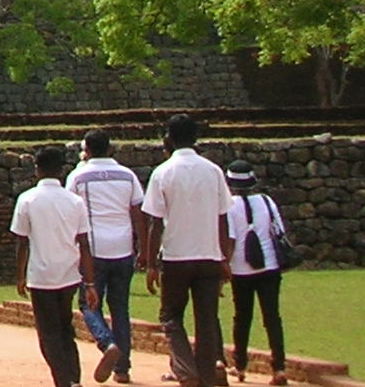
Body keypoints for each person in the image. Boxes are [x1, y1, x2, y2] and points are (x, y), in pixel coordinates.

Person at [143, 113, 234, 387]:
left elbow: (155, 223)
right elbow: (223, 218)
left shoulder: (163, 172)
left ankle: (186, 371)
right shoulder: (213, 170)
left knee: (170, 316)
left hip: (176, 258)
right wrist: (224, 258)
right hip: (208, 256)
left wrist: (149, 263)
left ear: (168, 139)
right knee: (206, 320)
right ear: (195, 139)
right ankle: (206, 377)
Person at [14, 142, 97, 387]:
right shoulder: (74, 202)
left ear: (37, 170)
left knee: (48, 334)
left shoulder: (27, 199)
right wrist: (90, 282)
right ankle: (73, 377)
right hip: (69, 274)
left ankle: (64, 381)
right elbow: (84, 245)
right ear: (61, 171)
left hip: (40, 276)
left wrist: (19, 274)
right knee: (64, 328)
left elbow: (22, 243)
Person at [71, 128, 148, 383]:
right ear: (110, 149)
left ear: (87, 150)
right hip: (122, 248)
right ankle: (123, 369)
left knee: (88, 304)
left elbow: (70, 211)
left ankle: (107, 344)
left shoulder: (79, 176)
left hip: (93, 250)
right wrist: (144, 248)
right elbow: (138, 213)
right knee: (120, 308)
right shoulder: (127, 175)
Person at [225, 161, 287, 385]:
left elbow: (229, 239)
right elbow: (279, 230)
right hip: (269, 266)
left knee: (242, 317)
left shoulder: (229, 205)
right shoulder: (266, 201)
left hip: (241, 269)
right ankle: (279, 367)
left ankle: (239, 366)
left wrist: (224, 266)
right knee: (272, 317)